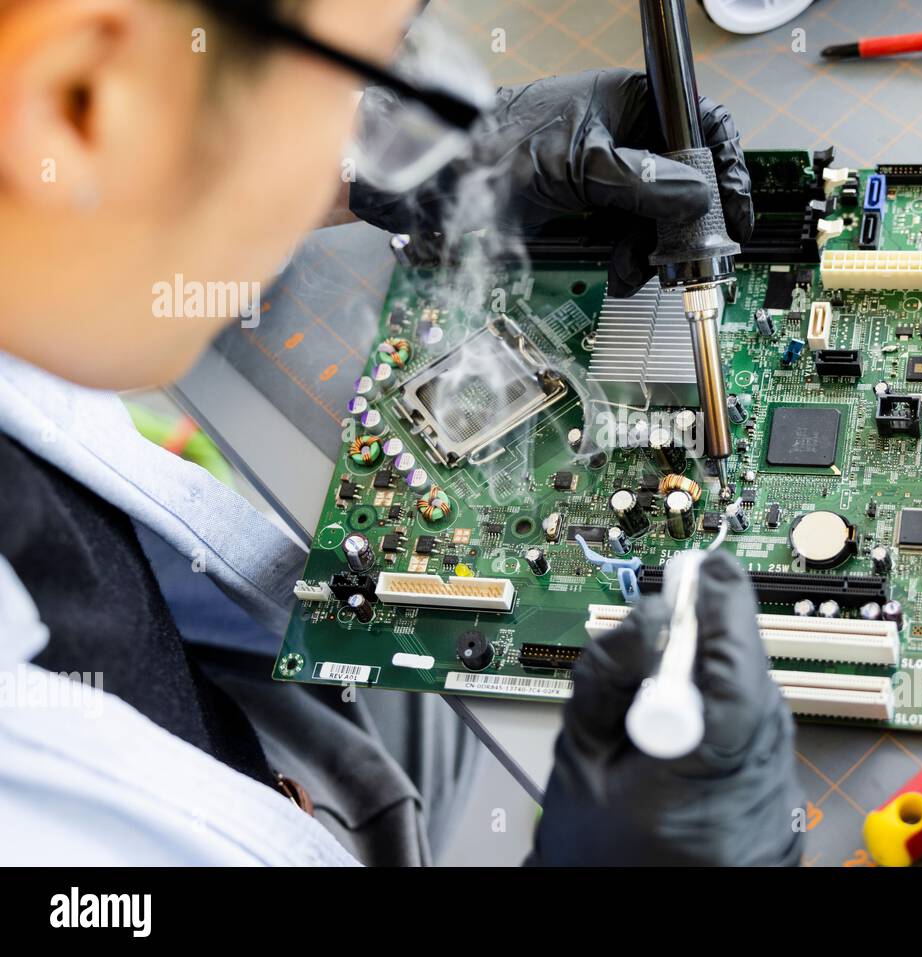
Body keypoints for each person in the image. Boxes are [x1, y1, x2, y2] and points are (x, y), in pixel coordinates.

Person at [0, 0, 800, 865]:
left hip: (245, 706)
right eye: (376, 62)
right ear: (76, 99)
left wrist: (381, 159)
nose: (386, 117)